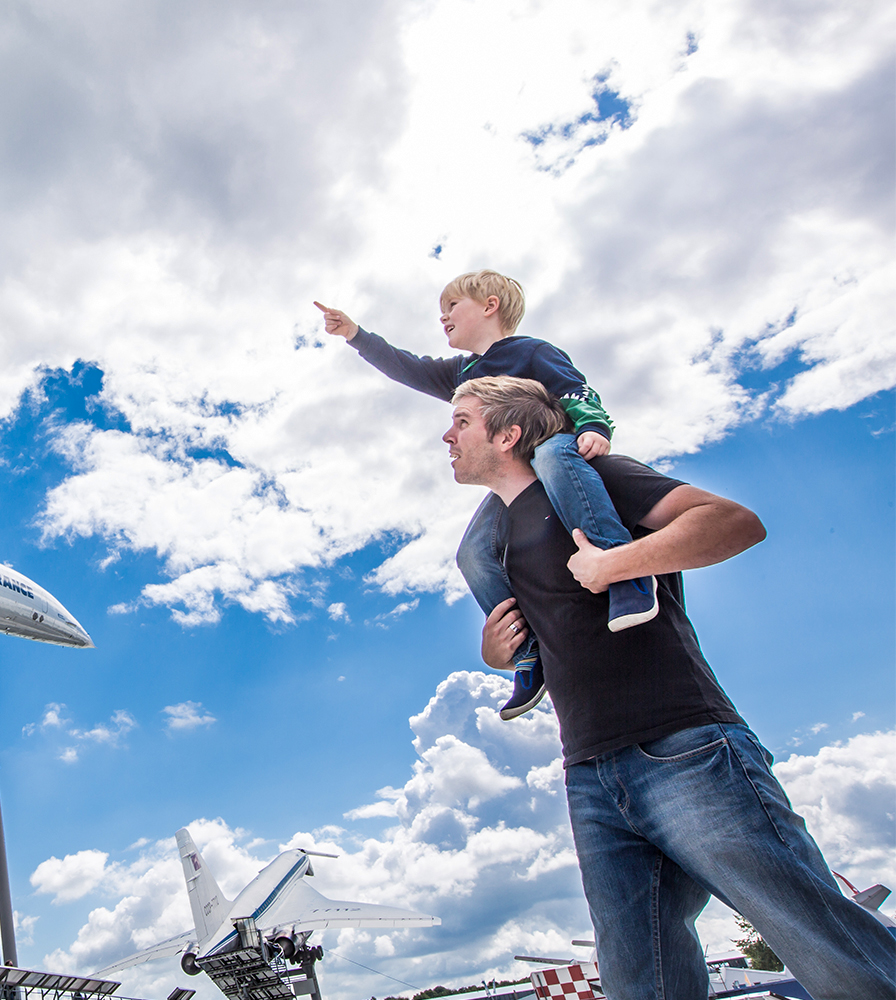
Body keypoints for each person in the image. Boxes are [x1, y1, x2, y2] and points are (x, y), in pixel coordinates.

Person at [444, 374, 895, 1000]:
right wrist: (501, 654)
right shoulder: (495, 539)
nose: (447, 434)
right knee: (641, 985)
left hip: (686, 749)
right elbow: (563, 633)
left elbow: (735, 523)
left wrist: (617, 562)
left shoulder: (590, 480)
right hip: (589, 773)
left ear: (509, 433)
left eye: (462, 420)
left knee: (832, 951)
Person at [315, 272, 656, 723]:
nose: (443, 316)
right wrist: (355, 335)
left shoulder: (531, 352)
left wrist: (593, 427)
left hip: (553, 447)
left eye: (452, 306)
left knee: (553, 456)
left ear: (490, 305)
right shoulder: (464, 374)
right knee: (473, 554)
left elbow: (575, 389)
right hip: (513, 476)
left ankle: (626, 576)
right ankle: (531, 646)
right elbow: (410, 368)